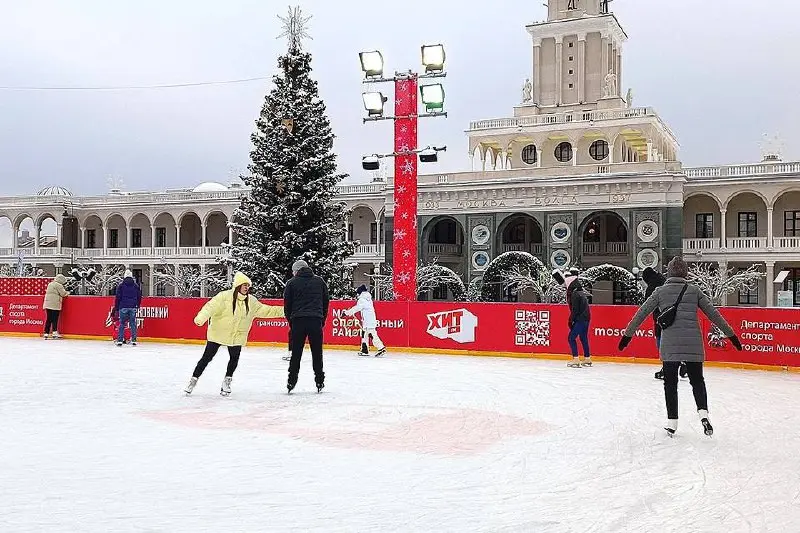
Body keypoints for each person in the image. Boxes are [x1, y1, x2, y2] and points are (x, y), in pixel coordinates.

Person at [619, 257, 743, 436]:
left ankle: (672, 423)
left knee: (670, 383)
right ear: (685, 273)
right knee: (697, 381)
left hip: (670, 345)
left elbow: (641, 313)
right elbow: (714, 315)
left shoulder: (660, 292)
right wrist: (731, 335)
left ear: (669, 273)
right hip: (693, 344)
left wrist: (627, 335)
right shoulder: (694, 291)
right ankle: (703, 415)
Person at [185, 272, 283, 396]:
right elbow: (210, 307)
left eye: (248, 285)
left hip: (237, 335)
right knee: (207, 358)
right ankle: (193, 380)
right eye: (244, 285)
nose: (247, 287)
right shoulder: (224, 297)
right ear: (237, 285)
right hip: (218, 333)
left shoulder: (251, 301)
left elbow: (267, 310)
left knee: (234, 358)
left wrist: (286, 311)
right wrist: (200, 318)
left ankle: (227, 381)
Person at [284, 259, 329, 393]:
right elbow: (326, 302)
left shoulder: (291, 283)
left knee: (296, 354)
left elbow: (287, 304)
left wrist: (291, 321)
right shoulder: (320, 281)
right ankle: (319, 380)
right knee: (317, 353)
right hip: (315, 320)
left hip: (298, 321)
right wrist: (322, 319)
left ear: (296, 271)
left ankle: (291, 380)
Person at [643, 267, 688, 380]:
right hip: (674, 317)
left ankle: (667, 369)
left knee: (662, 344)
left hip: (661, 320)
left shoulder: (652, 288)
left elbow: (648, 305)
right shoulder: (665, 281)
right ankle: (682, 362)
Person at [553, 268, 592, 368]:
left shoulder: (575, 294)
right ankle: (587, 358)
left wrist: (571, 320)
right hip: (586, 318)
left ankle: (576, 359)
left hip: (581, 319)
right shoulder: (580, 292)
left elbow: (575, 309)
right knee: (583, 338)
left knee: (571, 338)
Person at [345, 284, 386, 357]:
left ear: (360, 293)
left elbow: (356, 308)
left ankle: (381, 348)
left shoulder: (362, 300)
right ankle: (365, 350)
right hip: (368, 321)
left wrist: (346, 313)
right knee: (364, 335)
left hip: (369, 322)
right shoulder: (367, 299)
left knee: (372, 334)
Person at [114, 270, 142, 346]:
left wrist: (116, 307)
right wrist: (138, 305)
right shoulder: (136, 286)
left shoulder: (121, 285)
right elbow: (139, 296)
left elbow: (118, 297)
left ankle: (120, 340)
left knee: (122, 323)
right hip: (133, 307)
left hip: (123, 307)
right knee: (133, 323)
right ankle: (134, 340)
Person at [43, 274, 69, 339]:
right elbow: (63, 294)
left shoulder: (50, 284)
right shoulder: (59, 285)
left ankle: (46, 333)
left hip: (48, 303)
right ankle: (54, 332)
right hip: (55, 304)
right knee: (55, 319)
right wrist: (68, 292)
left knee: (49, 319)